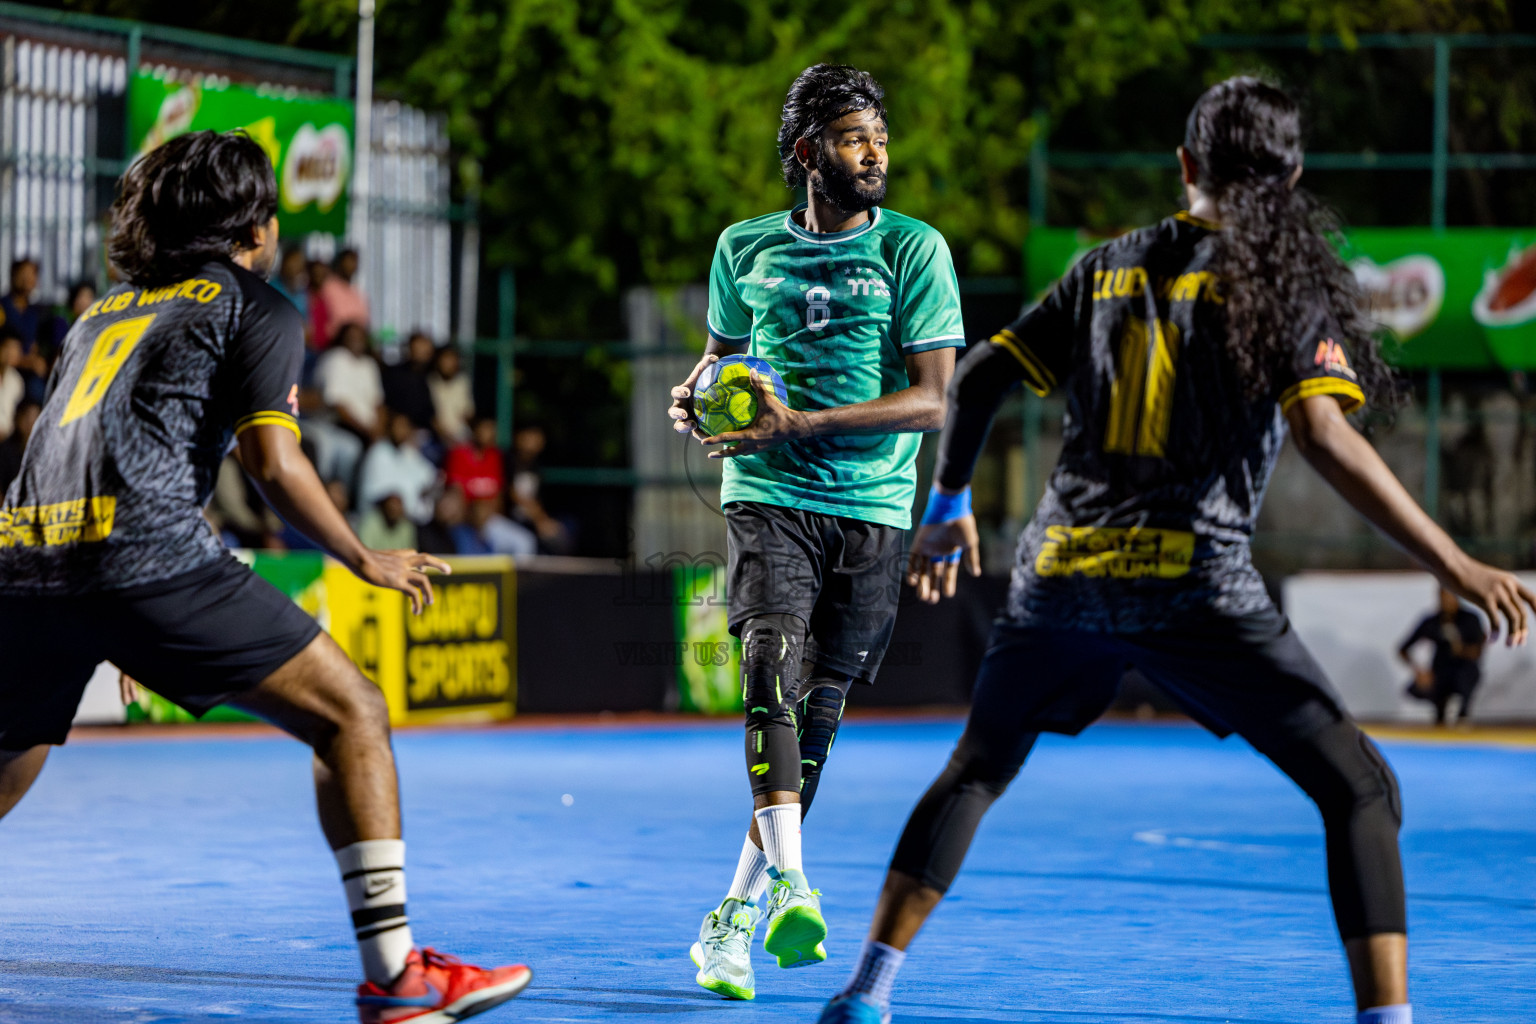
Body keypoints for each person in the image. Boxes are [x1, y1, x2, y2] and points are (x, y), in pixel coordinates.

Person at [814, 77, 1536, 1024]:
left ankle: (867, 993)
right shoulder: (1280, 282)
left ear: (1186, 167)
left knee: (979, 770)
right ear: (1293, 178)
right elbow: (1324, 436)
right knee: (1360, 788)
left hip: (1060, 577)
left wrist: (948, 504)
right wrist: (1456, 563)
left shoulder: (1105, 265)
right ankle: (1388, 1021)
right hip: (1192, 582)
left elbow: (983, 369)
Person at [0, 131, 530, 1024]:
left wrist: (105, 618)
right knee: (352, 711)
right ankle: (400, 981)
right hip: (142, 565)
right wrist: (363, 557)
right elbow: (274, 464)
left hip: (26, 560)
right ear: (254, 222)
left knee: (11, 752)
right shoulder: (257, 305)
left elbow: (72, 449)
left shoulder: (103, 313)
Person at [666, 64, 963, 1002]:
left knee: (818, 722)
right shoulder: (743, 247)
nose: (874, 153)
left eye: (878, 136)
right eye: (851, 138)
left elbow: (932, 402)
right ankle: (793, 883)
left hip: (873, 508)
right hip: (766, 493)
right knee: (766, 670)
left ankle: (730, 918)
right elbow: (722, 366)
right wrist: (694, 396)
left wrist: (802, 423)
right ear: (806, 153)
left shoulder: (914, 251)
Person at [310, 322, 385, 487]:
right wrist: (367, 432)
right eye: (351, 337)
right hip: (334, 425)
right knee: (350, 449)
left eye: (359, 337)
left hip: (367, 430)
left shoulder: (369, 365)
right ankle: (339, 497)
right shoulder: (335, 358)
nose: (356, 340)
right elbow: (337, 405)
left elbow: (378, 403)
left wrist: (379, 431)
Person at [1400, 588, 1487, 725]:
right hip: (1440, 672)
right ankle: (1439, 716)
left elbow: (1478, 651)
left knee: (1464, 679)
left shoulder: (1470, 619)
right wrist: (1419, 671)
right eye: (1443, 597)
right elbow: (1403, 648)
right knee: (1423, 689)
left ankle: (1462, 716)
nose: (1446, 601)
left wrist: (1461, 649)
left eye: (1450, 597)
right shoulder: (1433, 621)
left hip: (1464, 670)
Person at [359, 409, 439, 524]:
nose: (401, 431)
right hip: (380, 519)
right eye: (398, 426)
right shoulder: (378, 451)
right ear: (390, 428)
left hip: (409, 520)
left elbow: (429, 476)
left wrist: (426, 489)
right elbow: (374, 492)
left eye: (405, 427)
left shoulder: (408, 452)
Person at [384, 331, 439, 435]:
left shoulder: (433, 376)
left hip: (428, 432)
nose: (423, 351)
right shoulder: (394, 374)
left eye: (426, 347)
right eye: (419, 346)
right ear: (409, 349)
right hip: (399, 431)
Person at [445, 417, 507, 502]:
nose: (491, 433)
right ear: (475, 429)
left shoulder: (497, 456)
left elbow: (498, 490)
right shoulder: (459, 453)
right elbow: (455, 488)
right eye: (486, 428)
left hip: (488, 508)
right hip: (465, 506)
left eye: (493, 428)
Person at [319, 247, 370, 346]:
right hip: (335, 344)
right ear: (340, 263)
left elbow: (364, 320)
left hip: (358, 343)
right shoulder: (328, 287)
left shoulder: (357, 292)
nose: (352, 266)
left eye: (354, 262)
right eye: (348, 261)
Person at [429, 343, 475, 444]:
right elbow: (430, 417)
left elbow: (468, 413)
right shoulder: (430, 382)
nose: (448, 363)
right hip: (435, 437)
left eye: (451, 359)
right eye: (445, 359)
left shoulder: (463, 382)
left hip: (460, 437)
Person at [0, 396, 39, 494]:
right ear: (18, 419)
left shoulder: (45, 450)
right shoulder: (4, 451)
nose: (31, 425)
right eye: (27, 418)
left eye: (35, 419)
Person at [0, 335, 24, 440]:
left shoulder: (17, 381)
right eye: (8, 348)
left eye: (15, 349)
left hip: (6, 442)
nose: (10, 353)